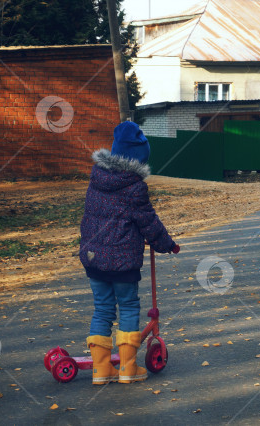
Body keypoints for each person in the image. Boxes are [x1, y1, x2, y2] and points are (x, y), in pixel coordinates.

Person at [79, 121, 179, 385]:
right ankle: (127, 368)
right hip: (122, 262)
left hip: (94, 259)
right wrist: (167, 244)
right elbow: (149, 222)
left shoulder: (96, 179)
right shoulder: (134, 187)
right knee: (129, 306)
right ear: (138, 159)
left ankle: (101, 370)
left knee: (102, 310)